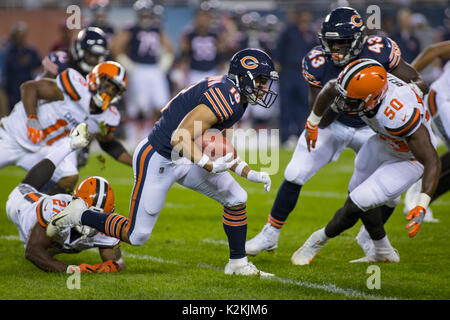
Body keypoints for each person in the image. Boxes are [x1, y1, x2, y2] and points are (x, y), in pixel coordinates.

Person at [47, 48, 278, 277]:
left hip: (186, 156)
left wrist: (249, 172)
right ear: (243, 76)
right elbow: (179, 138)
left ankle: (237, 264)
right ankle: (81, 215)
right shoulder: (226, 96)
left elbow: (219, 147)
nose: (265, 87)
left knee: (236, 198)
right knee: (137, 235)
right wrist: (208, 164)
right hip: (159, 157)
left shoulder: (235, 97)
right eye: (261, 80)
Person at [245, 7, 429, 257]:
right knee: (295, 171)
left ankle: (372, 238)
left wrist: (406, 94)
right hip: (334, 124)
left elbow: (417, 81)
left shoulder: (380, 49)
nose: (335, 50)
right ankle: (270, 233)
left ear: (358, 40)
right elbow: (318, 115)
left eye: (341, 43)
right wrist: (339, 103)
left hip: (373, 130)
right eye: (330, 43)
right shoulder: (317, 60)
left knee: (386, 196)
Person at [291, 58, 440, 264]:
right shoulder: (357, 87)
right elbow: (330, 89)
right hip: (384, 141)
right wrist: (312, 124)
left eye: (351, 100)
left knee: (357, 203)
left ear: (373, 98)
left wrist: (422, 203)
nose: (344, 104)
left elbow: (432, 159)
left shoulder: (399, 113)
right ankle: (382, 251)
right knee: (356, 192)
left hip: (410, 159)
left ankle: (318, 239)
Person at [6, 123, 124, 273]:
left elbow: (115, 260)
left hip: (47, 223)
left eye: (98, 215)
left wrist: (112, 265)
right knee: (27, 186)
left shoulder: (105, 225)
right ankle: (69, 145)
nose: (93, 221)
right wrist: (71, 270)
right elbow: (32, 251)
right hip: (22, 206)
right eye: (88, 212)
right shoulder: (56, 209)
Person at [0, 61, 132, 194]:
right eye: (108, 85)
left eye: (115, 89)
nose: (110, 91)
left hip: (41, 150)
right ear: (96, 78)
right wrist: (32, 119)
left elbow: (110, 145)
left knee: (68, 177)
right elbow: (30, 88)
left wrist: (137, 163)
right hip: (13, 136)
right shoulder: (75, 88)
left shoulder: (106, 117)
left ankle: (38, 210)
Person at [111, 0, 174, 145]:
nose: (145, 16)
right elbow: (116, 47)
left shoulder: (157, 29)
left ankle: (155, 135)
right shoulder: (132, 29)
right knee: (138, 106)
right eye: (143, 13)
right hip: (138, 68)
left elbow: (169, 48)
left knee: (161, 104)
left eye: (147, 13)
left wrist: (163, 65)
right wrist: (127, 64)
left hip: (154, 69)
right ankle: (135, 137)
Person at [403, 40, 450, 222]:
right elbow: (433, 51)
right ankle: (419, 191)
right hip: (442, 98)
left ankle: (421, 201)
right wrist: (405, 79)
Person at [273, 8, 317, 148]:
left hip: (303, 72)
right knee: (286, 105)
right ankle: (285, 138)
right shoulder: (288, 31)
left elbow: (315, 53)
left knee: (303, 105)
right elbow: (278, 49)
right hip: (288, 71)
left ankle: (301, 136)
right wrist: (277, 64)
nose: (305, 16)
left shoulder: (311, 33)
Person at [180, 8, 227, 86]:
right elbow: (185, 52)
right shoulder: (189, 35)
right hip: (194, 71)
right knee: (194, 96)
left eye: (204, 17)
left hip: (212, 70)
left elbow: (220, 51)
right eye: (199, 17)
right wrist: (184, 66)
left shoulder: (215, 34)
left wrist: (221, 63)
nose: (202, 20)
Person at [41, 27, 109, 80]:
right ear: (78, 49)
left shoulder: (100, 74)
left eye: (97, 56)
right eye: (90, 54)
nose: (93, 60)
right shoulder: (61, 61)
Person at [4, 22, 41, 110]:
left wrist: (28, 62)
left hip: (28, 89)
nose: (20, 38)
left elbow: (38, 62)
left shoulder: (30, 51)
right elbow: (9, 68)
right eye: (17, 36)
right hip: (13, 92)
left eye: (22, 35)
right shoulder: (8, 52)